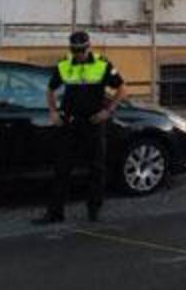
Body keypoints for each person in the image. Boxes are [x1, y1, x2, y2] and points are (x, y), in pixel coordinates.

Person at [35, 31, 126, 224]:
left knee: (97, 168)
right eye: (75, 50)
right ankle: (55, 213)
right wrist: (53, 111)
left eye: (82, 50)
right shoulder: (64, 64)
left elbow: (121, 88)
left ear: (89, 46)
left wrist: (108, 111)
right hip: (70, 122)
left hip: (94, 123)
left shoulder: (102, 64)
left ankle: (94, 210)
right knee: (62, 168)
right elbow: (51, 89)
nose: (79, 54)